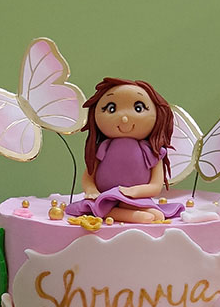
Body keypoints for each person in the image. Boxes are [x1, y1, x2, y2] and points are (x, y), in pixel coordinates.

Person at [66, 78, 183, 223]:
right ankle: (119, 213)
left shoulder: (152, 152)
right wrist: (91, 190)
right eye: (111, 108)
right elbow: (89, 176)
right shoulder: (103, 148)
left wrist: (133, 191)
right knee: (150, 216)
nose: (124, 118)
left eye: (138, 108)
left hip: (136, 198)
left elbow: (155, 186)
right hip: (104, 197)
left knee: (158, 216)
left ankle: (117, 212)